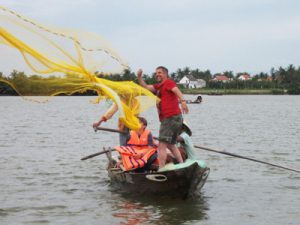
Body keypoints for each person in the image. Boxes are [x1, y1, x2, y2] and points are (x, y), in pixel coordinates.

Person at [137, 66, 189, 169]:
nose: (157, 74)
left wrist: (183, 102)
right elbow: (146, 87)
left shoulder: (168, 83)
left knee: (162, 145)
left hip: (170, 118)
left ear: (165, 74)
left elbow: (177, 90)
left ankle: (161, 169)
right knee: (171, 144)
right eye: (156, 73)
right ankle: (182, 164)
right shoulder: (158, 87)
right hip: (176, 118)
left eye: (160, 72)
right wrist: (139, 77)